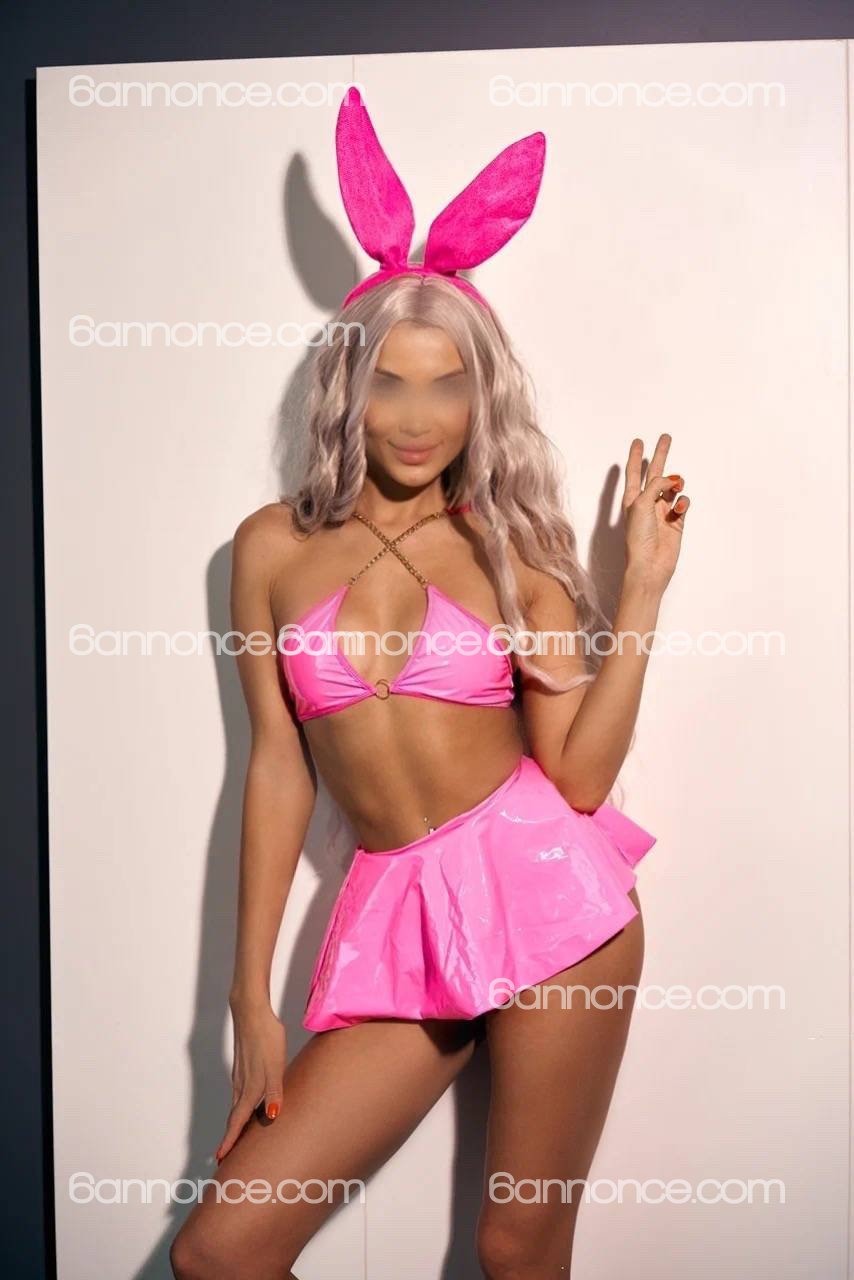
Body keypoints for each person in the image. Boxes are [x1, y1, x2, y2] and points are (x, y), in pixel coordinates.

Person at [170, 87, 688, 1280]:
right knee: (222, 1249)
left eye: (445, 383)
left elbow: (578, 778)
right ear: (348, 386)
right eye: (390, 383)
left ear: (480, 394)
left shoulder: (512, 550)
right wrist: (247, 998)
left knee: (515, 1244)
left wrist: (641, 592)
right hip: (402, 912)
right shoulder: (268, 548)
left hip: (552, 903)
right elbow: (276, 768)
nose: (416, 417)